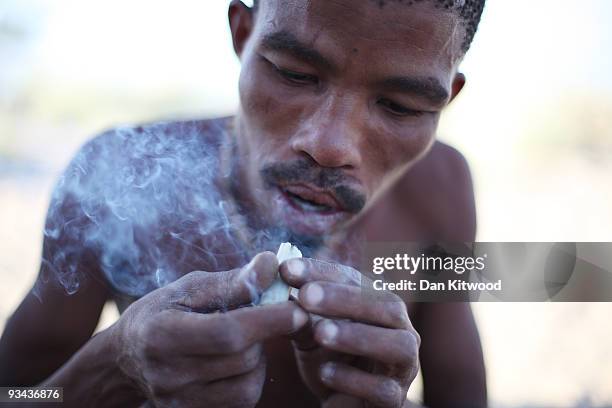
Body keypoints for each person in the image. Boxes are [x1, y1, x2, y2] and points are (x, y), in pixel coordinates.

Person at [0, 0, 487, 406]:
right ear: (243, 34)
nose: (330, 145)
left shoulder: (440, 192)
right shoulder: (113, 179)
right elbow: (18, 396)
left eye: (400, 106)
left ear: (445, 101)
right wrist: (113, 366)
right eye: (295, 74)